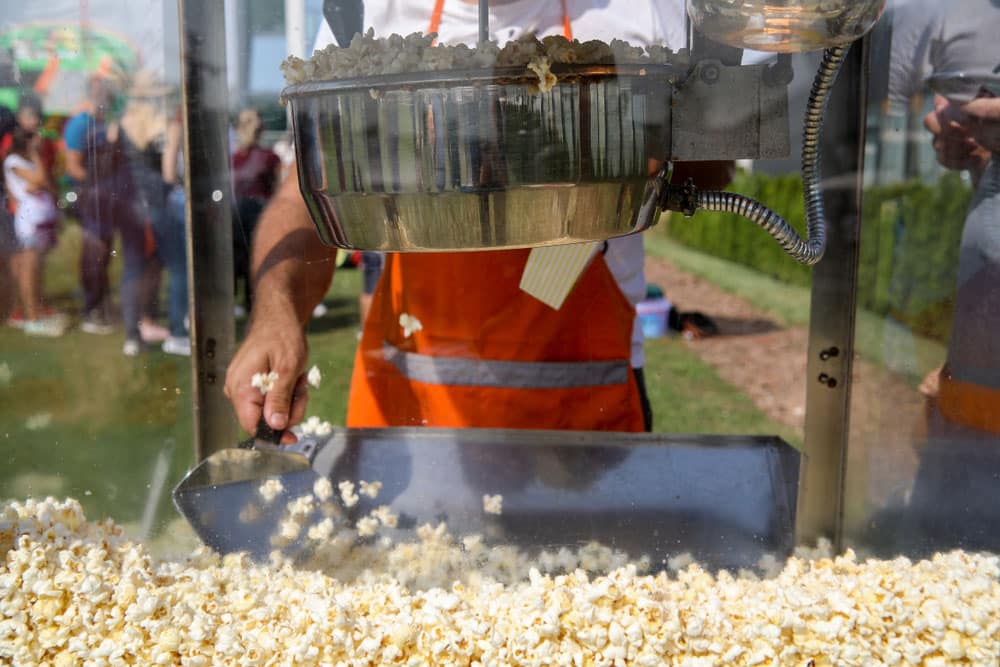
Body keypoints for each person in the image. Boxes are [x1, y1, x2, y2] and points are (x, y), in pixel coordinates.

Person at [225, 0, 730, 440]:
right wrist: (275, 316)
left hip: (583, 410)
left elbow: (712, 164)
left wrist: (643, 137)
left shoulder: (644, 8)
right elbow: (303, 196)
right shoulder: (362, 11)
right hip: (410, 415)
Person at [63, 74, 149, 354]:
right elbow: (72, 164)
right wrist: (94, 187)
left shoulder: (103, 122)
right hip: (94, 199)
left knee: (104, 252)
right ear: (93, 92)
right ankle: (91, 310)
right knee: (94, 253)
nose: (107, 96)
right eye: (102, 91)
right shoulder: (79, 124)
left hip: (111, 199)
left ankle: (101, 306)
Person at [3, 127, 64, 336]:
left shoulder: (26, 161)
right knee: (29, 269)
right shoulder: (14, 162)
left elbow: (45, 183)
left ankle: (37, 311)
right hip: (28, 223)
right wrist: (37, 156)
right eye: (35, 140)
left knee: (37, 269)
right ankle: (31, 318)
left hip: (41, 221)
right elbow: (39, 180)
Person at [231, 107, 281, 317]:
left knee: (241, 259)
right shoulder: (268, 157)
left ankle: (241, 302)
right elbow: (278, 188)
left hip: (241, 214)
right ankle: (251, 303)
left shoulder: (235, 158)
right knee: (255, 260)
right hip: (256, 214)